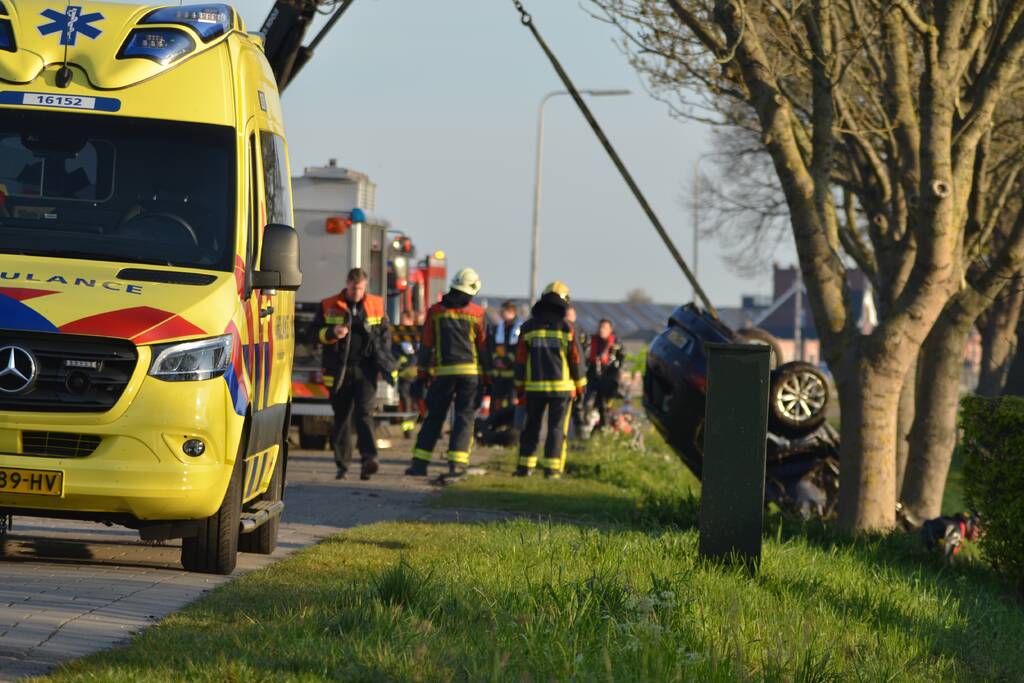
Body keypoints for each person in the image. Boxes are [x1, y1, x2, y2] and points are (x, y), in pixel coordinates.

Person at [406, 268, 490, 479]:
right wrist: (488, 378)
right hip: (470, 375)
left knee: (434, 417)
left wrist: (422, 375)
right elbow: (483, 348)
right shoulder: (477, 314)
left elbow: (426, 345)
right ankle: (457, 464)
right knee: (464, 417)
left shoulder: (436, 311)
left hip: (443, 374)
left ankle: (420, 464)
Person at [312, 268, 395, 481]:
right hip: (339, 370)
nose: (356, 292)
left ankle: (369, 460)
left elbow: (385, 337)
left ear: (365, 286)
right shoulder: (330, 305)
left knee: (365, 415)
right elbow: (312, 334)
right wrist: (332, 333)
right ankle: (343, 465)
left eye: (359, 288)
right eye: (352, 288)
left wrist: (383, 363)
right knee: (342, 418)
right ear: (347, 284)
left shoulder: (376, 305)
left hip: (366, 370)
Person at [514, 281, 586, 478]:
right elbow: (576, 359)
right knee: (556, 429)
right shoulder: (567, 328)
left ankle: (524, 467)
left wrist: (519, 386)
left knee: (531, 426)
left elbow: (520, 359)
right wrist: (580, 386)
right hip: (561, 389)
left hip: (534, 387)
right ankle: (552, 470)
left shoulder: (528, 327)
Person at [584, 318, 621, 431]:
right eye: (600, 327)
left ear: (610, 330)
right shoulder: (590, 342)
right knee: (587, 404)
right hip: (592, 379)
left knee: (604, 407)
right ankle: (587, 428)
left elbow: (620, 362)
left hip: (607, 381)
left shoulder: (616, 345)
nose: (601, 330)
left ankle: (604, 429)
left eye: (604, 328)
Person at [391, 310, 421, 439]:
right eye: (401, 320)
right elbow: (394, 352)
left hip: (417, 374)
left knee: (420, 399)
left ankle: (427, 428)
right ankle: (407, 430)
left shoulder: (417, 335)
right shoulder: (397, 336)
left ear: (411, 321)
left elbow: (420, 352)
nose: (402, 323)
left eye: (405, 320)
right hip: (404, 374)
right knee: (405, 400)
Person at [565, 304, 589, 444]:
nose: (569, 319)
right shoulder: (562, 331)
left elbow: (580, 356)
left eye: (571, 316)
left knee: (579, 407)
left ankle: (579, 436)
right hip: (565, 378)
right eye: (567, 316)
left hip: (577, 376)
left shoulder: (580, 332)